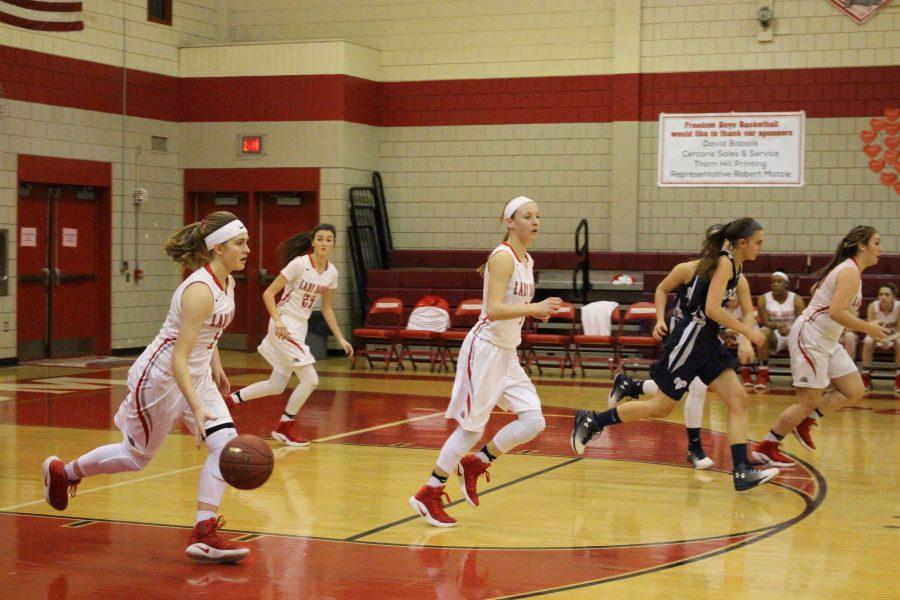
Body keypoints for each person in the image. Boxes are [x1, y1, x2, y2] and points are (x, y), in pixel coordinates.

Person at [42, 212, 252, 563]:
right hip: (161, 378)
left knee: (224, 447)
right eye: (240, 243)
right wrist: (197, 407)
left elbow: (204, 335)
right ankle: (63, 473)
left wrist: (215, 365)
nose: (247, 249)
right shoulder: (199, 290)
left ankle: (204, 532)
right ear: (217, 248)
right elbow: (178, 358)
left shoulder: (226, 282)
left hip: (195, 375)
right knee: (136, 458)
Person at [571, 218, 780, 492]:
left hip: (709, 342)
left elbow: (748, 308)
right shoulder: (723, 263)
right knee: (661, 406)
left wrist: (745, 335)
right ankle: (592, 420)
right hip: (691, 340)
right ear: (742, 243)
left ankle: (741, 470)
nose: (761, 248)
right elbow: (713, 309)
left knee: (739, 400)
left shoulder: (738, 269)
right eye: (758, 243)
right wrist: (747, 333)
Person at [409, 196, 562, 527]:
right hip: (485, 350)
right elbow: (492, 309)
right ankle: (429, 492)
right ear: (510, 222)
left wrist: (537, 310)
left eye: (538, 216)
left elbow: (513, 305)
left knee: (534, 421)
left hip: (507, 352)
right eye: (527, 216)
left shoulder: (527, 260)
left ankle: (477, 462)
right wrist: (534, 308)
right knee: (471, 428)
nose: (535, 221)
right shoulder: (502, 257)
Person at [753, 226, 889, 466]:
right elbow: (836, 311)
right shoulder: (849, 272)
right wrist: (868, 327)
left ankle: (806, 421)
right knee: (808, 400)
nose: (881, 248)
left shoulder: (850, 270)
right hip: (811, 337)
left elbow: (819, 292)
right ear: (862, 245)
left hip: (826, 338)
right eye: (877, 242)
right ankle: (767, 446)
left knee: (854, 390)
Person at [607, 224, 728, 470]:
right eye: (718, 243)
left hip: (704, 337)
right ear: (709, 245)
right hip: (682, 332)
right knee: (697, 388)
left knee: (677, 389)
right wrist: (660, 319)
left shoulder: (728, 273)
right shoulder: (688, 269)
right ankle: (694, 448)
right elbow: (662, 289)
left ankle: (631, 385)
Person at [229, 224, 353, 446]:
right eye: (321, 238)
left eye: (329, 239)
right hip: (284, 323)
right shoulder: (299, 264)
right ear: (313, 242)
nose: (325, 243)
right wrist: (277, 321)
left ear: (334, 243)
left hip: (300, 327)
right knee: (311, 379)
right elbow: (268, 293)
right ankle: (284, 427)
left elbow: (327, 309)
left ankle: (229, 401)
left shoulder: (332, 272)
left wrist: (341, 338)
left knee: (276, 385)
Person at [754, 270, 806, 391]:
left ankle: (799, 375)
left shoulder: (796, 299)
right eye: (773, 282)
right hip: (774, 333)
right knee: (763, 333)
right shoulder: (763, 298)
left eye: (779, 281)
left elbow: (803, 322)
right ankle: (763, 374)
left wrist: (791, 330)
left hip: (793, 333)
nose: (775, 284)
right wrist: (777, 325)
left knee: (803, 336)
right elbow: (766, 322)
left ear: (786, 284)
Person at [860, 283, 899, 394]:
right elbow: (869, 328)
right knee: (867, 341)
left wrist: (889, 339)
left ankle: (899, 375)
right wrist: (881, 340)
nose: (883, 297)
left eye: (887, 294)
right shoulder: (873, 306)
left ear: (893, 297)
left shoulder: (899, 307)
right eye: (881, 294)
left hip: (894, 336)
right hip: (876, 336)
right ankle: (865, 374)